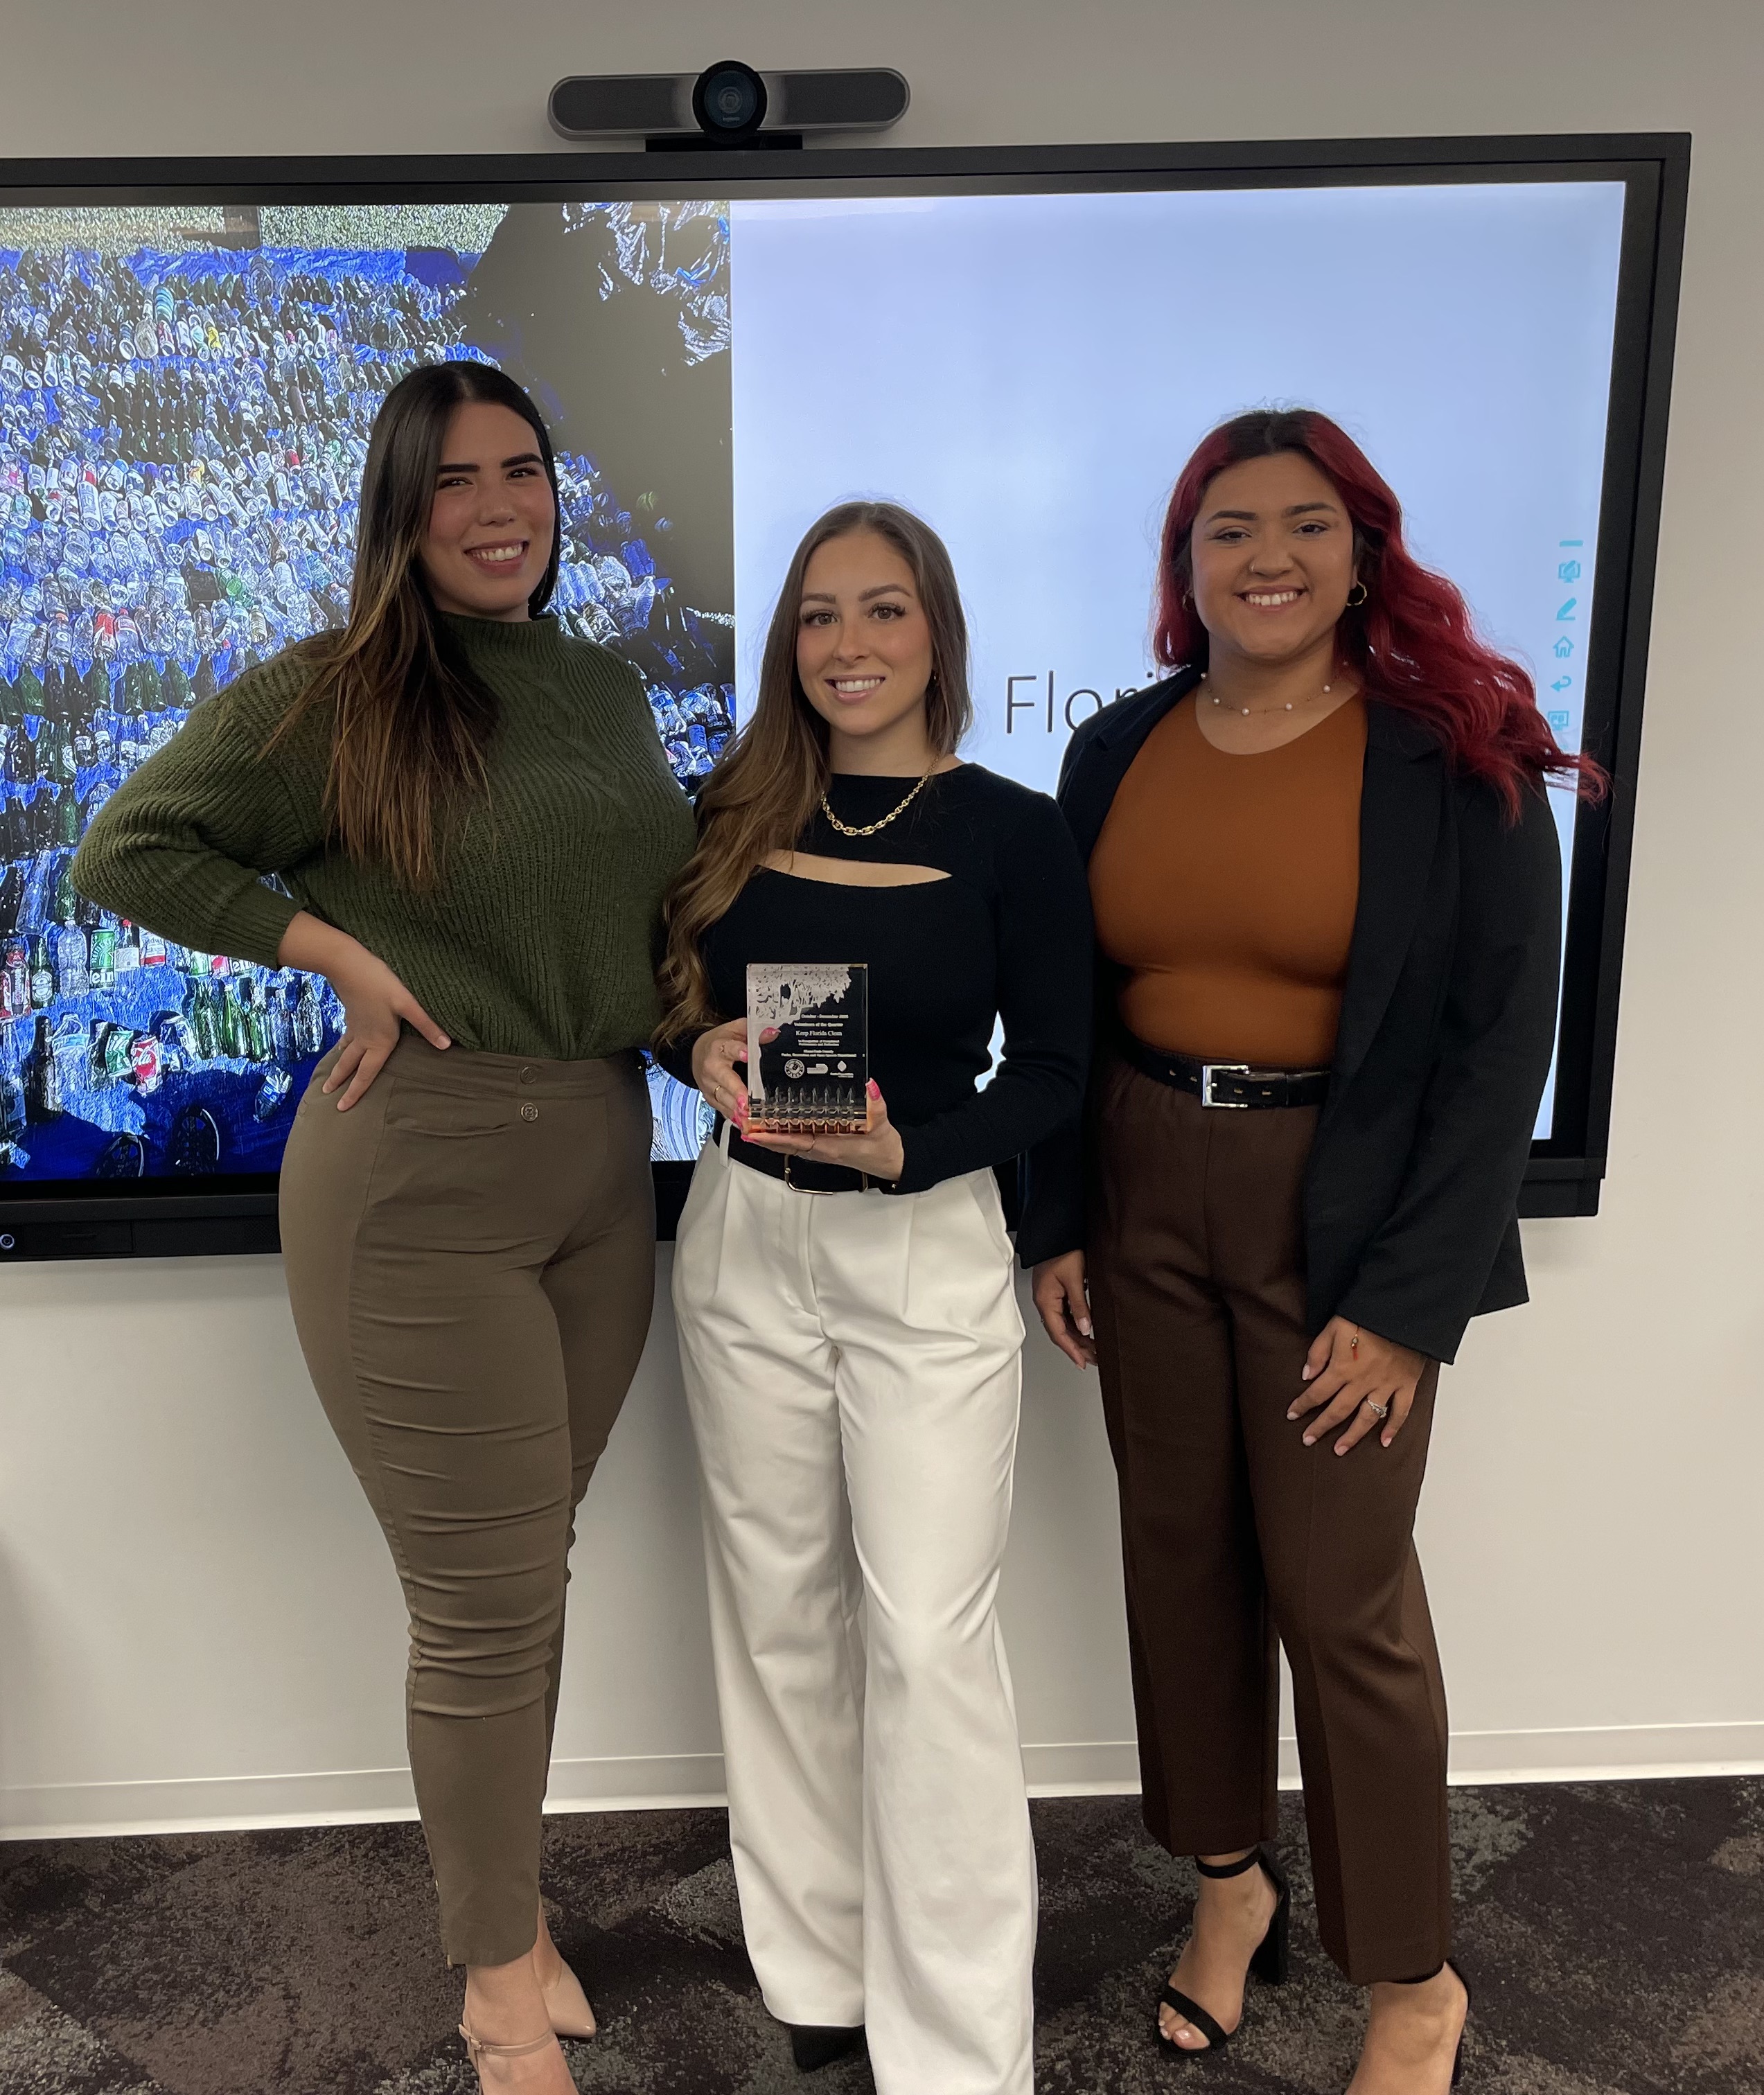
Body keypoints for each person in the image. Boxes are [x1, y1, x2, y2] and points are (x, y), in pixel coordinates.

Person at [73, 360, 695, 2095]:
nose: (499, 510)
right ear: (398, 515)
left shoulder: (602, 689)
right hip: (421, 1177)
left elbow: (628, 931)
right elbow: (131, 847)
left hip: (598, 1156)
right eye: (453, 484)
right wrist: (335, 951)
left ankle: (512, 1914)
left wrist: (702, 1034)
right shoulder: (339, 690)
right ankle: (497, 1987)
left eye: (523, 472)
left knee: (528, 1576)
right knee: (485, 1606)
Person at [1022, 409, 1594, 2094]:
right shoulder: (1116, 748)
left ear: (1361, 556)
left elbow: (1498, 1055)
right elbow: (1067, 1005)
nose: (1264, 556)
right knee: (1178, 1560)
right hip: (1140, 1183)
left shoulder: (1460, 758)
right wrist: (1059, 1218)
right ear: (1183, 564)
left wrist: (1409, 1308)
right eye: (1228, 529)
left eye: (1304, 525)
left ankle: (1411, 1981)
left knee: (1342, 1599)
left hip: (1339, 1212)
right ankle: (1228, 1888)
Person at [654, 501, 1091, 2095]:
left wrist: (918, 1147)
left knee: (927, 1637)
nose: (848, 644)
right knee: (776, 1612)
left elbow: (1056, 1072)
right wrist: (694, 1045)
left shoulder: (1013, 830)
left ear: (936, 632)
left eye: (883, 609)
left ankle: (961, 2050)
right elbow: (665, 993)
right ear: (791, 640)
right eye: (820, 614)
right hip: (743, 1238)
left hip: (923, 1247)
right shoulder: (724, 810)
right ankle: (818, 1968)